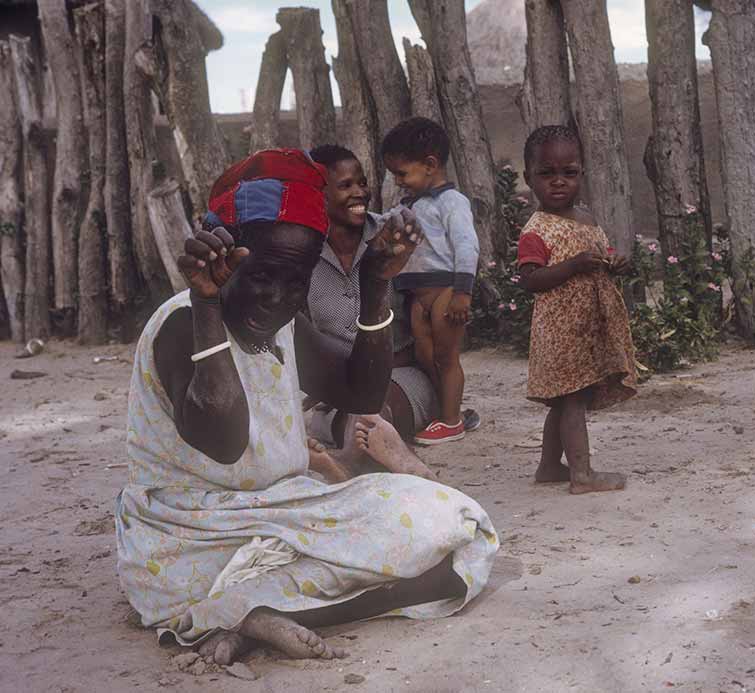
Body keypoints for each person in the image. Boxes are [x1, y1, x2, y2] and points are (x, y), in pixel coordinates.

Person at [116, 149, 498, 667]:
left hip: (284, 510)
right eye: (261, 274)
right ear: (222, 260)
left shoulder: (284, 324)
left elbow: (362, 394)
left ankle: (249, 614)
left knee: (457, 529)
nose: (277, 297)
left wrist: (374, 285)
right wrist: (207, 303)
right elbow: (225, 443)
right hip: (189, 536)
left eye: (297, 281)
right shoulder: (183, 323)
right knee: (432, 552)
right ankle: (249, 606)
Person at [303, 144, 477, 467]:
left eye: (362, 182)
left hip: (401, 378)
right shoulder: (302, 254)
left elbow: (433, 305)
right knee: (357, 421)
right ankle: (366, 462)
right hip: (338, 391)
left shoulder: (396, 235)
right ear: (318, 194)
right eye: (345, 186)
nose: (360, 193)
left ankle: (346, 465)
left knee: (375, 412)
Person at [516, 125, 638, 494]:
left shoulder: (585, 218)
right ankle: (582, 475)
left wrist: (615, 263)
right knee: (571, 402)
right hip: (560, 333)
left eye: (568, 173)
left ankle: (550, 465)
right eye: (546, 174)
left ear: (581, 173)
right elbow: (530, 280)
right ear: (528, 178)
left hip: (586, 329)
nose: (558, 182)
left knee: (568, 401)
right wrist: (574, 265)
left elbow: (600, 254)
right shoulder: (536, 230)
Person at [382, 117, 479, 445]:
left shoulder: (452, 203)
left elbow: (467, 246)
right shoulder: (408, 205)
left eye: (402, 173)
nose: (398, 181)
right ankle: (451, 412)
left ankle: (451, 422)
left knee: (446, 356)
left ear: (430, 164)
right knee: (426, 357)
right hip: (416, 296)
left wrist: (462, 293)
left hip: (445, 292)